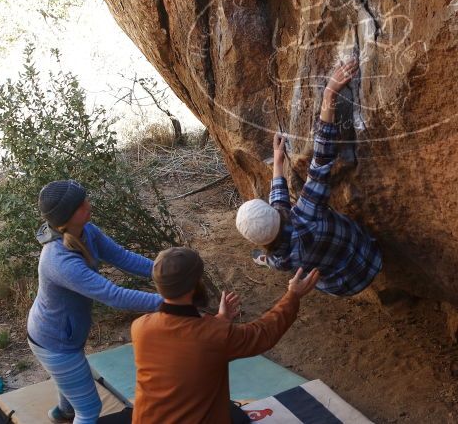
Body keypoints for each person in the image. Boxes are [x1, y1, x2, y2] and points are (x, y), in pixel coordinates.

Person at [236, 59, 382, 296]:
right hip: (367, 255)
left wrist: (278, 163)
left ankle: (260, 258)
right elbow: (322, 159)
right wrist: (329, 93)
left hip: (342, 285)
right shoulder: (307, 215)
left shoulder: (278, 260)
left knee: (276, 249)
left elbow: (280, 209)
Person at [26, 180, 164, 424]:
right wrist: (166, 303)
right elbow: (114, 295)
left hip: (63, 334)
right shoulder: (58, 260)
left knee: (72, 399)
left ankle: (61, 414)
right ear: (67, 216)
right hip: (55, 343)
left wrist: (164, 271)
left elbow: (121, 257)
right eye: (81, 205)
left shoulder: (86, 231)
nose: (88, 205)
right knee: (89, 410)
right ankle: (67, 413)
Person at [130, 247, 319, 424]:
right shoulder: (214, 336)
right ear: (195, 285)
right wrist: (293, 295)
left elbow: (187, 344)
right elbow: (262, 334)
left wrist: (220, 320)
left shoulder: (140, 327)